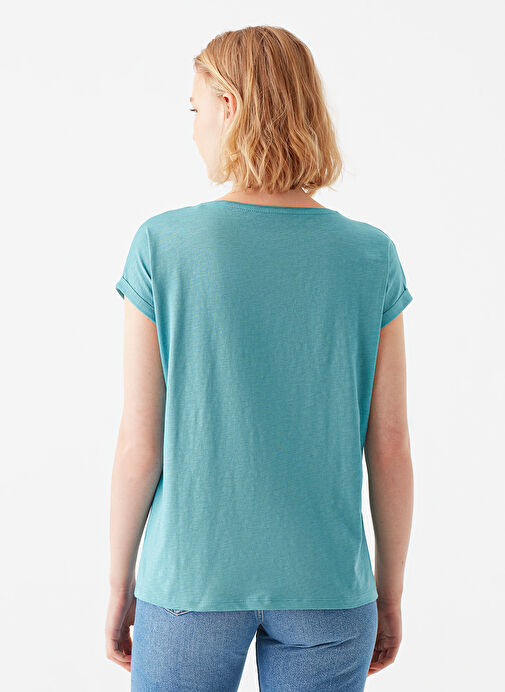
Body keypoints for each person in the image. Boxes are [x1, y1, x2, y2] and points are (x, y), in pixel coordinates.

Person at [105, 25, 414, 691]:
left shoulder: (163, 244)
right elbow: (388, 445)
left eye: (195, 108)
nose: (192, 129)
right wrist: (387, 592)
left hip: (188, 580)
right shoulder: (370, 255)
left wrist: (118, 583)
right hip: (329, 584)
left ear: (229, 105)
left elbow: (139, 444)